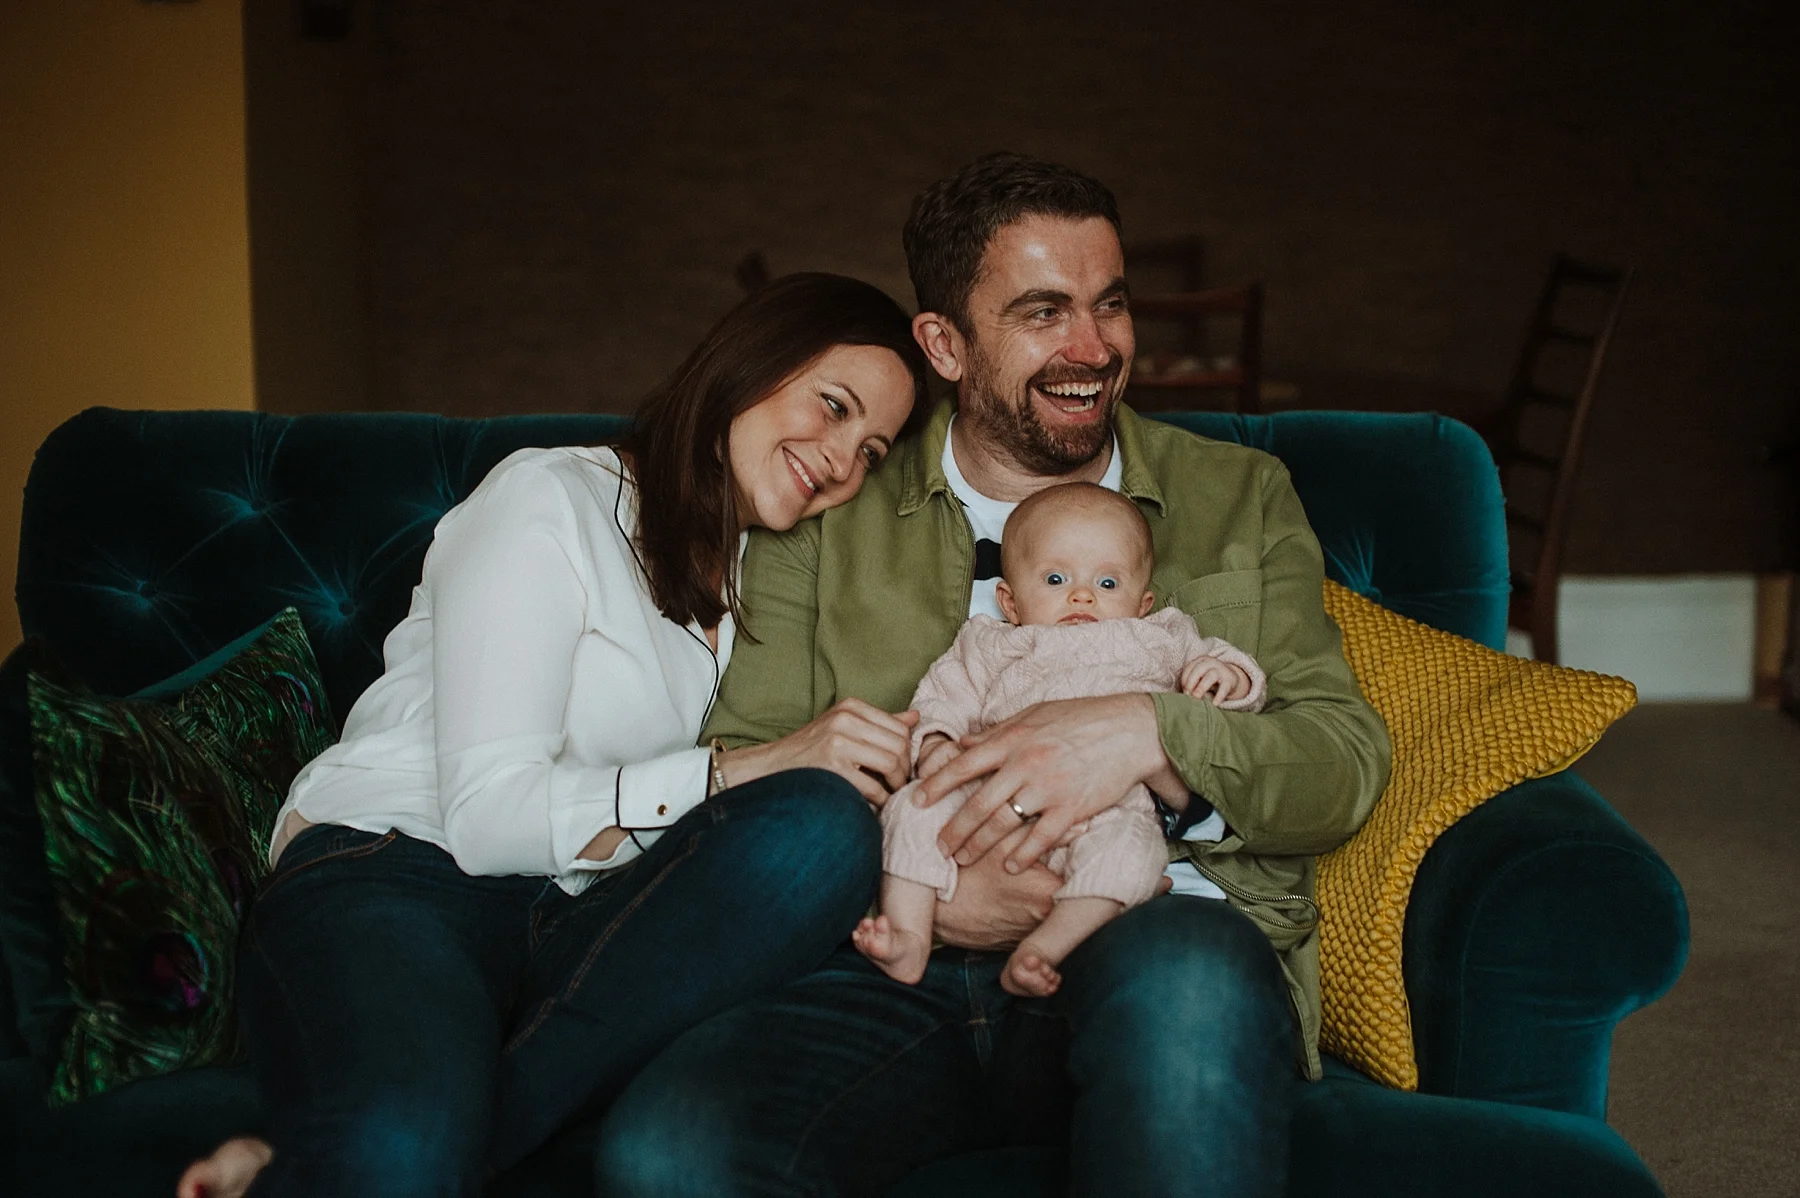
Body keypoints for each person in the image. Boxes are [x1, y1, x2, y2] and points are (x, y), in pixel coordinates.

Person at [594, 154, 1392, 1198]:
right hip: (885, 956)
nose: (1094, 349)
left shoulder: (1236, 494)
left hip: (1145, 939)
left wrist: (1148, 733)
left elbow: (1341, 763)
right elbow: (755, 781)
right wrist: (929, 887)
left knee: (1192, 990)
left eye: (1112, 305)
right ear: (945, 344)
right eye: (1044, 312)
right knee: (671, 1147)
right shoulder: (836, 497)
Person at [175, 272, 931, 1198]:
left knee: (819, 827)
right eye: (834, 406)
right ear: (751, 364)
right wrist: (755, 765)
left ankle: (326, 1163)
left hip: (579, 917)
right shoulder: (551, 495)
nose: (842, 460)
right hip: (404, 871)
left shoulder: (753, 589)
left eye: (872, 448)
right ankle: (385, 1154)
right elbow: (490, 818)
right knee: (402, 1151)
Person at [853, 481, 1268, 998]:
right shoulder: (989, 643)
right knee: (913, 808)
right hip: (987, 799)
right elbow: (942, 697)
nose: (1082, 595)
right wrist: (936, 743)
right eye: (1055, 578)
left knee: (1135, 856)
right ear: (1010, 600)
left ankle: (1044, 949)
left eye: (1108, 583)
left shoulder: (1162, 636)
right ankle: (908, 936)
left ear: (1143, 604)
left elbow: (1234, 681)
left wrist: (1228, 676)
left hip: (1110, 809)